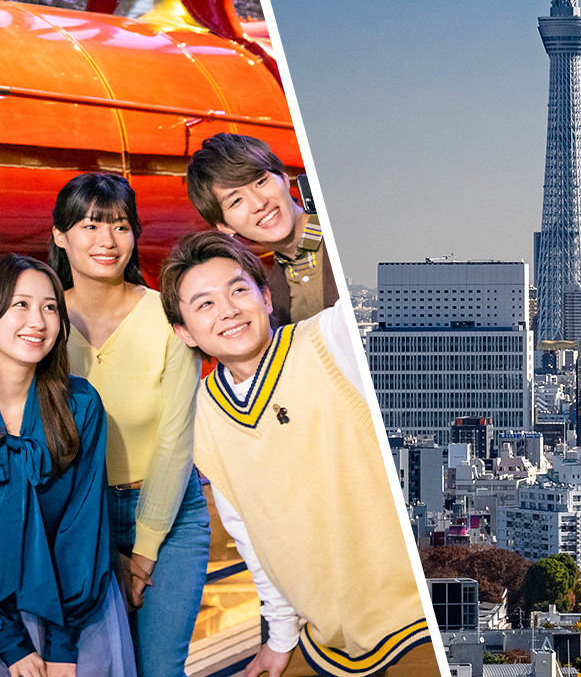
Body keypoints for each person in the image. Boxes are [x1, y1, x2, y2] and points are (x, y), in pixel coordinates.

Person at [159, 231, 435, 677]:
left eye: (238, 290)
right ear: (184, 332)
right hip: (323, 636)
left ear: (266, 298)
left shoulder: (327, 342)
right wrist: (280, 636)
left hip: (414, 620)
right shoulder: (203, 415)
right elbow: (249, 536)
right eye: (204, 304)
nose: (227, 310)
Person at [0, 254, 134, 677]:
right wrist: (12, 644)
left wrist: (62, 645)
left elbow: (82, 528)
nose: (38, 320)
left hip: (77, 612)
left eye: (50, 307)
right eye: (21, 305)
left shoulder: (81, 404)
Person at [50, 172, 209, 677]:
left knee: (160, 669)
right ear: (60, 235)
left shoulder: (166, 317)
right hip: (78, 518)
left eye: (120, 226)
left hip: (168, 515)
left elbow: (175, 440)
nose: (107, 241)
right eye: (91, 225)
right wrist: (96, 542)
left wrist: (141, 552)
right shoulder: (42, 323)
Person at [184, 133, 337, 325]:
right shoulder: (268, 298)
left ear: (283, 177)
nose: (258, 203)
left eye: (260, 182)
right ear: (225, 226)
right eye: (236, 201)